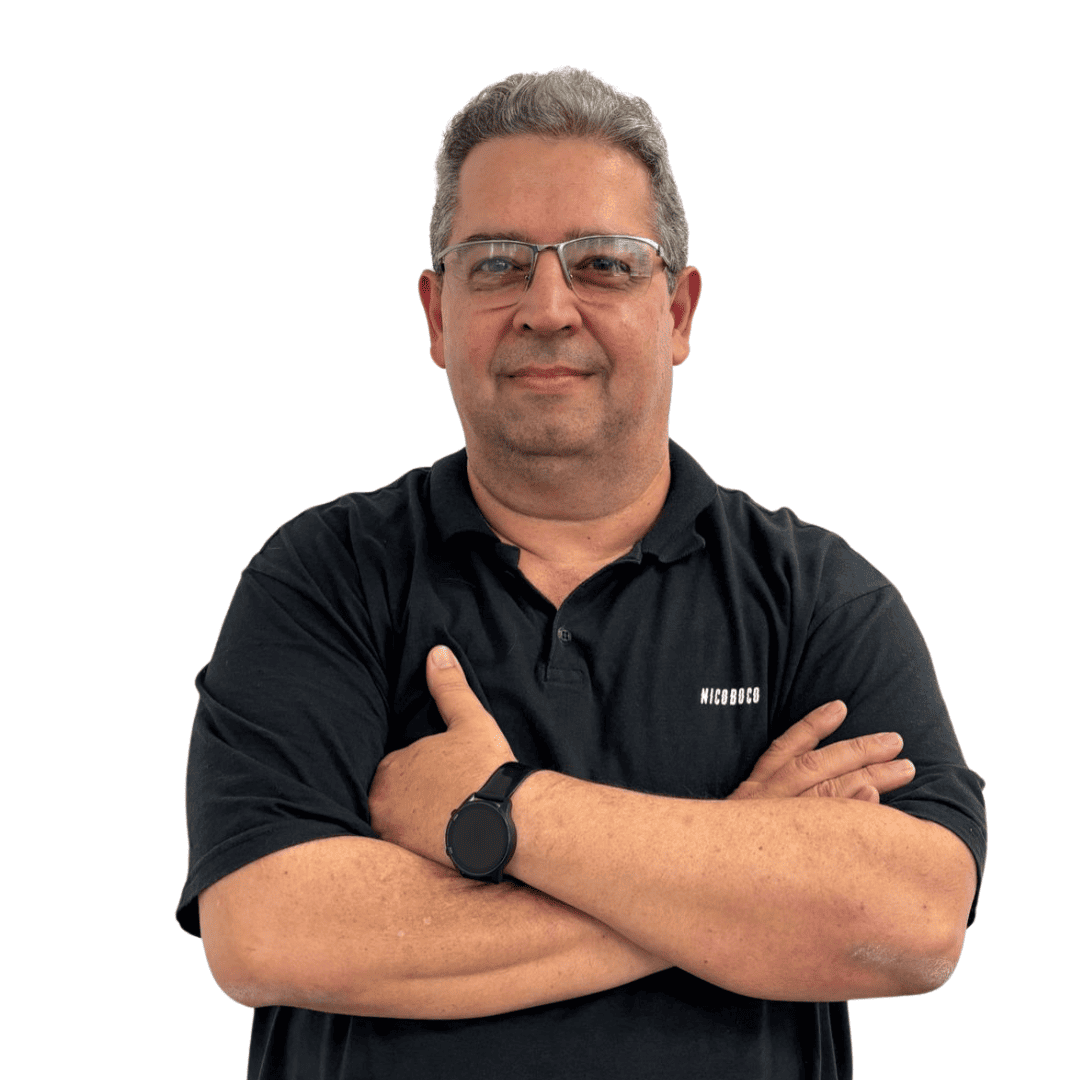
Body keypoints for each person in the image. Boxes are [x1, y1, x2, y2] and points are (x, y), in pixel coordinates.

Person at [178, 68, 986, 1079]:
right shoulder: (325, 578)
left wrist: (501, 811)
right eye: (497, 263)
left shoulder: (816, 597)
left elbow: (915, 917)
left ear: (678, 311)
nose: (548, 306)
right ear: (437, 315)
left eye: (603, 264)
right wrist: (740, 877)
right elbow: (270, 932)